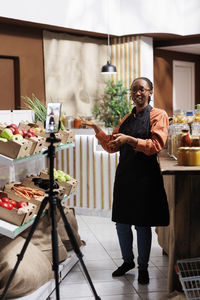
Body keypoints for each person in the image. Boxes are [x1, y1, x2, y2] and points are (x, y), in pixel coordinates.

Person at [80, 77, 169, 285]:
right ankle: (127, 261)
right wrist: (96, 128)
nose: (137, 93)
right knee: (121, 223)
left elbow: (156, 145)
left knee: (142, 225)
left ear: (150, 92)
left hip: (146, 178)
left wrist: (129, 140)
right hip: (125, 177)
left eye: (142, 90)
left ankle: (144, 267)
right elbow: (112, 147)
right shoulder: (126, 118)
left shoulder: (159, 115)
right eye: (134, 90)